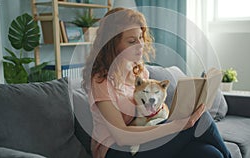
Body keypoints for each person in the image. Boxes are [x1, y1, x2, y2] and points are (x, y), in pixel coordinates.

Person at [82, 7, 232, 158]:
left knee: (210, 154)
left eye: (141, 37)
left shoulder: (139, 72)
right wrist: (177, 126)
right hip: (117, 151)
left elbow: (151, 114)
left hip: (142, 140)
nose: (140, 45)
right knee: (202, 119)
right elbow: (122, 136)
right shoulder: (101, 81)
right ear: (112, 45)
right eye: (132, 41)